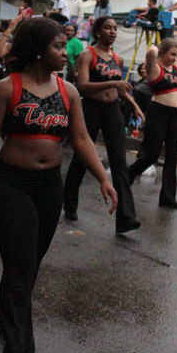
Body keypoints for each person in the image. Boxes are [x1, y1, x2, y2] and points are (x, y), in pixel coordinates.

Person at [0, 17, 117, 353]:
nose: (65, 53)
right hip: (11, 186)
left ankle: (7, 315)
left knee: (29, 265)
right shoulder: (6, 90)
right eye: (58, 47)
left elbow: (83, 140)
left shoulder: (68, 91)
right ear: (39, 49)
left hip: (48, 187)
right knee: (21, 266)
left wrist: (103, 178)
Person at [63, 16, 144, 232]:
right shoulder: (87, 54)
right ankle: (69, 204)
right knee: (82, 158)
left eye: (115, 28)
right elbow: (82, 86)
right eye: (108, 28)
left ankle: (126, 217)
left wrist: (133, 104)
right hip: (90, 109)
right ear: (97, 31)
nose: (113, 31)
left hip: (112, 111)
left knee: (119, 162)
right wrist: (112, 82)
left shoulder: (118, 58)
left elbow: (118, 89)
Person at [126, 38, 177, 209]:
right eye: (172, 54)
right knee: (152, 155)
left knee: (173, 156)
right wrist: (162, 45)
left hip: (175, 115)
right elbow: (151, 52)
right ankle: (127, 175)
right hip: (158, 113)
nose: (175, 57)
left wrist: (176, 48)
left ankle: (167, 197)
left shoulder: (176, 66)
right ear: (162, 52)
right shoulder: (154, 68)